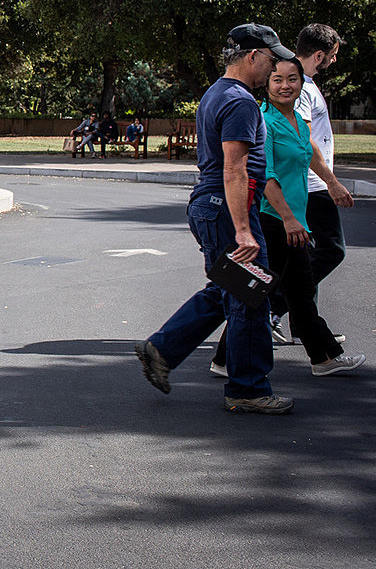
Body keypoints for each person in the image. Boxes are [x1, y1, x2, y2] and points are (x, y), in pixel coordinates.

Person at [134, 23, 295, 415]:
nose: (273, 69)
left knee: (231, 288)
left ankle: (163, 347)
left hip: (210, 205)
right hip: (226, 207)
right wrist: (243, 230)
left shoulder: (215, 92)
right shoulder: (240, 101)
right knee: (250, 296)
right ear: (253, 55)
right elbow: (234, 168)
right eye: (271, 60)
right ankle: (248, 389)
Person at [209, 56, 364, 378]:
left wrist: (332, 183)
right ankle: (225, 359)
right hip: (273, 219)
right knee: (258, 291)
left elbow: (309, 151)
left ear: (301, 83)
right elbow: (266, 176)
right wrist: (289, 219)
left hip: (294, 220)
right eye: (277, 79)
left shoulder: (297, 120)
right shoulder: (264, 120)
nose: (285, 86)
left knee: (298, 292)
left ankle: (323, 358)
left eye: (292, 79)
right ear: (267, 83)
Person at [283, 24, 356, 335]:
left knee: (303, 256)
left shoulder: (303, 82)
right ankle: (274, 305)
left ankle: (304, 324)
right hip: (310, 185)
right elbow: (303, 138)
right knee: (331, 249)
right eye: (333, 56)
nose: (334, 61)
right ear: (319, 54)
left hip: (307, 184)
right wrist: (332, 181)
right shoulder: (301, 86)